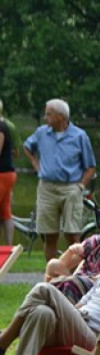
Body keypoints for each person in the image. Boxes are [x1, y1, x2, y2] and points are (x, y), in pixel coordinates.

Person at [22, 99, 97, 262]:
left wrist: (81, 186)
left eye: (48, 114)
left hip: (71, 188)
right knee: (49, 235)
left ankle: (75, 273)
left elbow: (91, 167)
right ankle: (51, 275)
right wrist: (36, 164)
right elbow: (27, 146)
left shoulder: (79, 136)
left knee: (72, 234)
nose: (45, 117)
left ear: (61, 116)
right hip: (46, 188)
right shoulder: (42, 133)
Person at [44, 206, 100, 302]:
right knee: (53, 265)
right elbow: (64, 265)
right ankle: (48, 300)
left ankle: (54, 305)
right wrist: (70, 252)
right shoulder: (96, 241)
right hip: (77, 282)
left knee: (66, 284)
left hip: (96, 291)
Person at [0, 98, 16, 246]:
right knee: (5, 211)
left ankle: (9, 246)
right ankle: (9, 247)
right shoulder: (5, 124)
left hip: (2, 173)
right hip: (7, 172)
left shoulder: (0, 126)